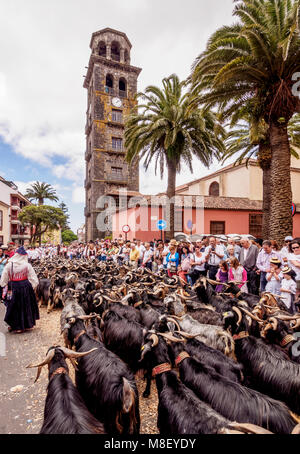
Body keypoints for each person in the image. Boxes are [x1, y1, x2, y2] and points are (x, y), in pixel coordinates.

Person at [0, 246, 39, 333]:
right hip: (25, 286)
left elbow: (3, 279)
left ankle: (14, 326)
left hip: (12, 286)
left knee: (13, 306)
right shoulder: (27, 265)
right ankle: (27, 325)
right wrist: (32, 286)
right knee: (26, 305)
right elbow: (34, 278)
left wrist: (4, 285)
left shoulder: (9, 265)